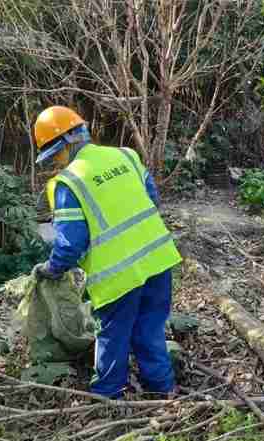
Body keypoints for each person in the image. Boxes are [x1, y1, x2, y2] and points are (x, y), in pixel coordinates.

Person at [31, 105, 182, 399]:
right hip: (158, 260)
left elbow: (70, 243)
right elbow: (151, 199)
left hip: (117, 277)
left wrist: (53, 268)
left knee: (113, 337)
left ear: (67, 143)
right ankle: (163, 390)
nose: (56, 163)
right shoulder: (126, 155)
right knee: (150, 330)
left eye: (55, 155)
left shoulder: (68, 182)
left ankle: (107, 397)